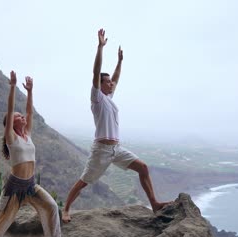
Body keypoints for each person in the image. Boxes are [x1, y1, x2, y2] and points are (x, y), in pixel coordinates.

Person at [62, 29, 170, 223]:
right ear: (99, 84)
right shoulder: (96, 98)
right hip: (101, 150)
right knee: (83, 182)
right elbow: (96, 72)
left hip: (116, 149)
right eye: (107, 82)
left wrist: (120, 62)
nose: (111, 84)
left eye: (111, 82)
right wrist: (100, 47)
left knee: (143, 168)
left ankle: (154, 203)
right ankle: (66, 209)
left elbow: (117, 78)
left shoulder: (109, 98)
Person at [0, 71, 61, 237]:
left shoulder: (27, 135)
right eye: (18, 116)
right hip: (14, 188)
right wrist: (12, 87)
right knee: (1, 219)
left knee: (51, 207)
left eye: (21, 115)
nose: (22, 116)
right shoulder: (11, 137)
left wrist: (30, 91)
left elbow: (30, 111)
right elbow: (9, 110)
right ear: (10, 122)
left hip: (31, 185)